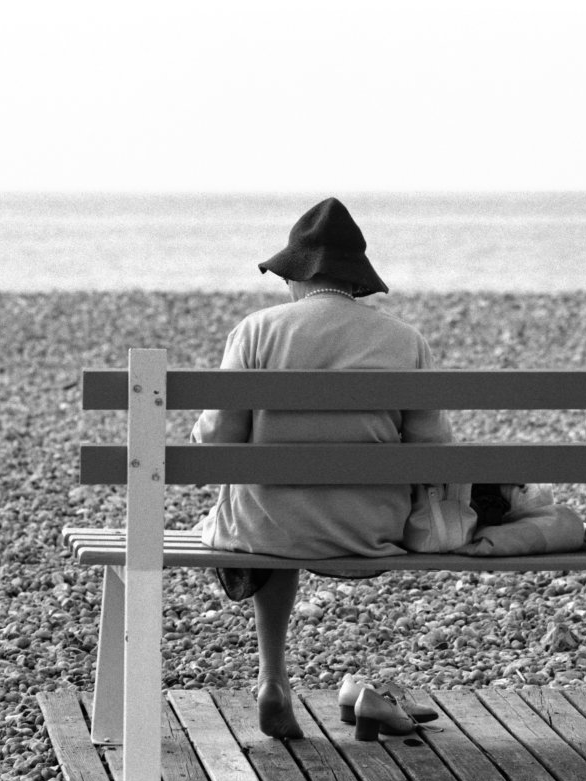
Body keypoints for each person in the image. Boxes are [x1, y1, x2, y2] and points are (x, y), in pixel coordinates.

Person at [192, 198, 453, 739]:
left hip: (268, 527)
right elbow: (433, 451)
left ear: (295, 274)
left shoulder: (256, 331)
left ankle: (272, 678)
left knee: (270, 510)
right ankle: (330, 687)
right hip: (368, 527)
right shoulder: (405, 340)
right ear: (356, 280)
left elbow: (217, 441)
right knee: (284, 506)